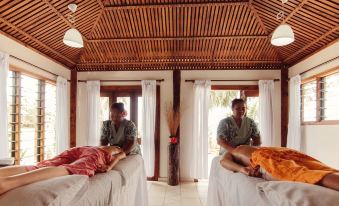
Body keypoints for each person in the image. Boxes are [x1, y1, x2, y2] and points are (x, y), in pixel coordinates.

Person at [0, 146, 126, 195]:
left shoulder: (99, 146)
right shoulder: (116, 148)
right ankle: (7, 183)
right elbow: (120, 156)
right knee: (72, 168)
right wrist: (109, 167)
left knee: (44, 164)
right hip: (95, 155)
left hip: (80, 148)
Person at [220, 145, 339, 191]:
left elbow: (223, 161)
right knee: (319, 169)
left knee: (301, 174)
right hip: (284, 152)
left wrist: (243, 170)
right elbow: (224, 161)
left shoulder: (236, 150)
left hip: (267, 156)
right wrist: (244, 169)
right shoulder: (239, 149)